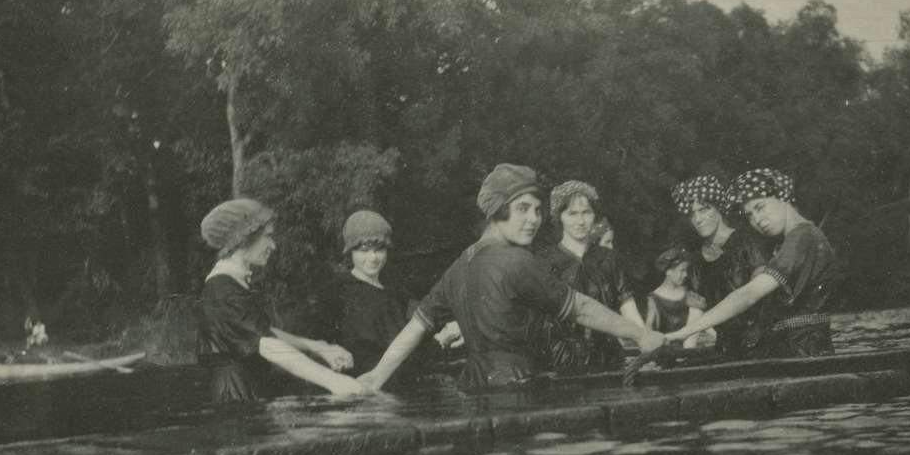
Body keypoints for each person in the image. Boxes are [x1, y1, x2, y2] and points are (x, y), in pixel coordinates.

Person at [356, 163, 665, 392]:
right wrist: (640, 335)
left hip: (473, 386)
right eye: (522, 209)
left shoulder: (461, 263)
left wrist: (377, 375)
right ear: (497, 212)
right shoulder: (517, 261)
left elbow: (416, 327)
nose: (534, 219)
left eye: (537, 210)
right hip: (518, 385)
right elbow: (580, 308)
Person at [197, 198, 362, 403]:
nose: (273, 246)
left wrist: (317, 346)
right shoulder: (223, 289)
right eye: (267, 237)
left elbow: (263, 330)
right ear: (243, 239)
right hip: (236, 395)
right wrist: (334, 382)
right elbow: (267, 345)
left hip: (246, 388)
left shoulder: (231, 283)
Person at [665, 169, 838, 358]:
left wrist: (683, 332)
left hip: (803, 350)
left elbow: (747, 295)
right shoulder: (795, 238)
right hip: (795, 346)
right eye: (749, 215)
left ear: (783, 197)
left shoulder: (802, 237)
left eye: (760, 207)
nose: (757, 220)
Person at [311, 210, 460, 382]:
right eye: (364, 250)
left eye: (379, 250)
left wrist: (449, 331)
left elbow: (425, 327)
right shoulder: (337, 294)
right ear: (350, 251)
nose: (373, 258)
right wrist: (440, 341)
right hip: (366, 388)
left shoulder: (397, 292)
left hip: (408, 382)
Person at [536, 181, 646, 371]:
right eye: (572, 213)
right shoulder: (544, 262)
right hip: (560, 360)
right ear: (559, 217)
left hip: (609, 358)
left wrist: (646, 340)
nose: (580, 221)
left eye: (586, 213)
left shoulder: (609, 259)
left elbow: (628, 307)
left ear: (594, 215)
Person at [670, 174, 773, 358]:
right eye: (692, 214)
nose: (698, 219)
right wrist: (684, 354)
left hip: (762, 347)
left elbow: (765, 298)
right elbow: (696, 313)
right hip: (725, 349)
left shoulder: (747, 243)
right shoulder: (697, 262)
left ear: (719, 209)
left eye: (703, 210)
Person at [645, 246, 708, 349]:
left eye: (686, 270)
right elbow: (648, 331)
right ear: (668, 271)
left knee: (697, 311)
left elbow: (702, 319)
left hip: (688, 345)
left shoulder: (686, 293)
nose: (686, 274)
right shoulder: (654, 299)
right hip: (665, 348)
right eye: (682, 270)